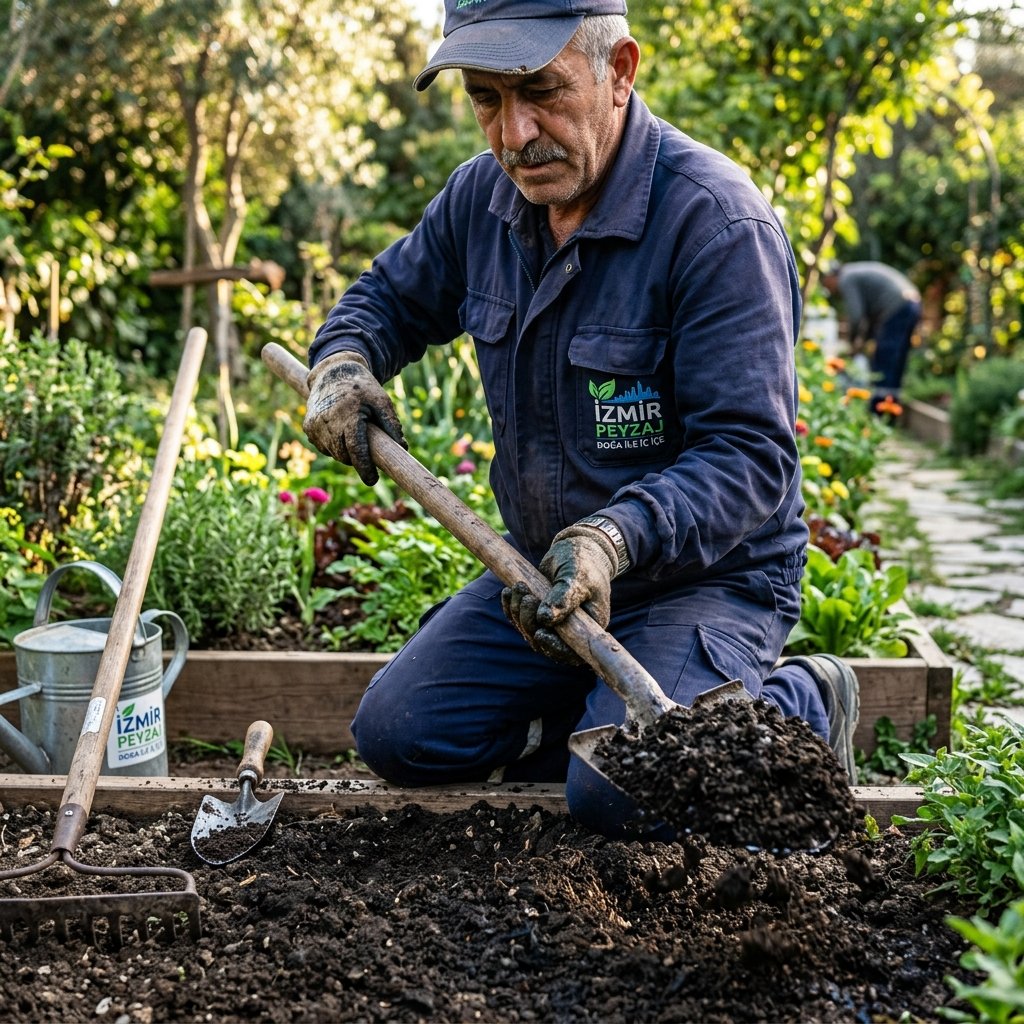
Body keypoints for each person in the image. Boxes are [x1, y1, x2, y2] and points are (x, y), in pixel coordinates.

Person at [302, 0, 861, 839]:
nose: (514, 133)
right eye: (486, 100)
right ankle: (585, 719)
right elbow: (383, 299)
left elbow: (749, 456)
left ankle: (804, 699)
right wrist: (342, 363)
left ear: (621, 72)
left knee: (618, 794)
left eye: (541, 91)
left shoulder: (714, 222)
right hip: (546, 579)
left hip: (703, 578)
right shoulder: (481, 201)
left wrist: (613, 536)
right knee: (400, 735)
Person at [821, 260, 922, 410]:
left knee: (884, 360)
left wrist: (852, 343)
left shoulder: (846, 279)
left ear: (831, 277)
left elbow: (856, 316)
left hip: (897, 306)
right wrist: (863, 340)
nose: (828, 289)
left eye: (826, 284)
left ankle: (878, 411)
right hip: (912, 303)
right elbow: (868, 318)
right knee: (896, 361)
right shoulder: (854, 272)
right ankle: (891, 408)